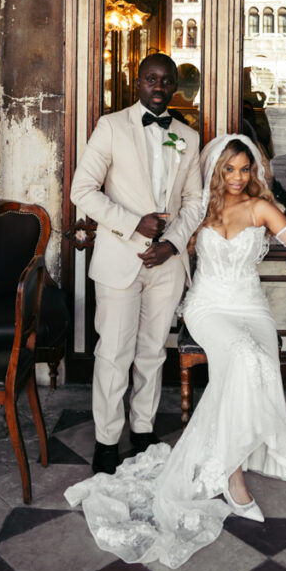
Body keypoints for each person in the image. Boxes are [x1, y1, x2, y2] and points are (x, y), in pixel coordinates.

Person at [65, 133, 286, 569]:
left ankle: (239, 453)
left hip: (251, 308)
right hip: (208, 307)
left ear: (254, 172)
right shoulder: (201, 211)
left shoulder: (261, 207)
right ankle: (231, 475)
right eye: (228, 169)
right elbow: (167, 237)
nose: (236, 177)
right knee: (244, 358)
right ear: (216, 171)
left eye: (244, 169)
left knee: (257, 355)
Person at [70, 53, 203, 476]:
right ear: (138, 82)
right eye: (151, 79)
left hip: (166, 263)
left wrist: (174, 243)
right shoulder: (111, 127)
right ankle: (107, 439)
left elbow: (195, 201)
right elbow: (82, 190)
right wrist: (133, 225)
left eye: (166, 81)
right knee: (113, 353)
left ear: (175, 86)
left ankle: (143, 429)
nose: (159, 87)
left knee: (151, 353)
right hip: (119, 258)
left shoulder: (187, 136)